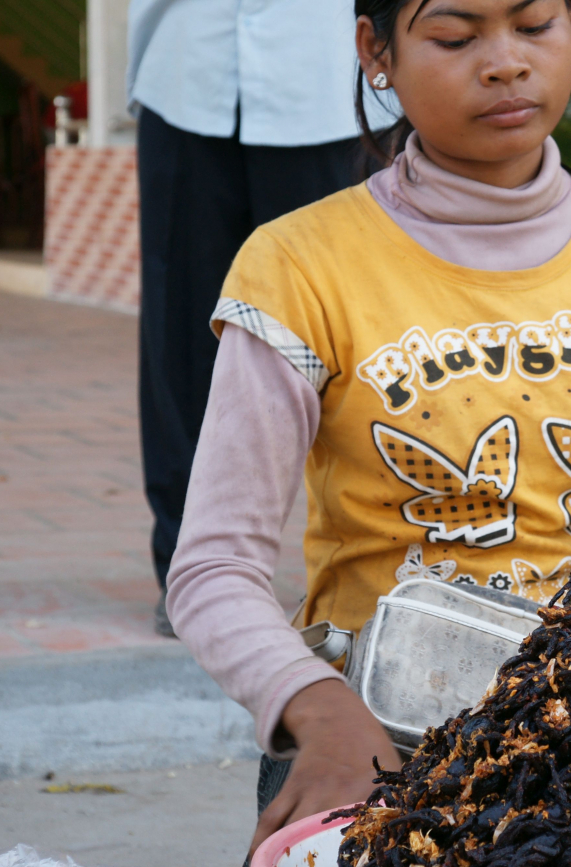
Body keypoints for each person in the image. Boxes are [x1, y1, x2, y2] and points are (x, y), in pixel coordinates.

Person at [163, 0, 571, 856]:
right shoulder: (300, 263)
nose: (503, 63)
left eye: (534, 26)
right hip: (375, 742)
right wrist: (318, 708)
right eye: (457, 38)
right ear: (375, 51)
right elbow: (211, 565)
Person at [126, 0, 395, 636]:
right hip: (186, 71)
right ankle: (187, 570)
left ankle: (378, 573)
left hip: (333, 87)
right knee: (182, 332)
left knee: (367, 338)